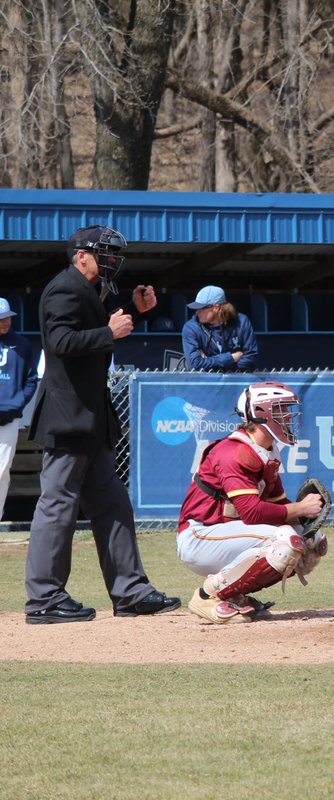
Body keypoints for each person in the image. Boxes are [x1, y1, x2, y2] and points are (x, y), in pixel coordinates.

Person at [24, 225, 180, 624]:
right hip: (68, 417)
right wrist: (109, 331)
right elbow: (60, 342)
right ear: (80, 256)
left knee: (112, 504)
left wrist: (135, 311)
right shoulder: (63, 288)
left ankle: (131, 592)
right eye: (103, 252)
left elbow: (96, 328)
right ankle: (44, 598)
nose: (112, 260)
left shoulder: (87, 290)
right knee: (57, 506)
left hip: (92, 418)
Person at [177, 382, 328, 623]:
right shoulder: (235, 451)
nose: (289, 416)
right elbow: (252, 513)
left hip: (227, 534)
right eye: (281, 410)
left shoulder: (266, 450)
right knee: (285, 541)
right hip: (200, 536)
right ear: (261, 414)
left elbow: (276, 504)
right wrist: (300, 509)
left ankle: (234, 596)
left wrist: (303, 520)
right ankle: (207, 595)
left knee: (312, 542)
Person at [0, 297, 37, 520]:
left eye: (7, 318)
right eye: (1, 319)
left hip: (9, 419)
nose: (5, 322)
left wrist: (18, 402)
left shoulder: (22, 345)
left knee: (2, 472)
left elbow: (31, 380)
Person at [182, 285, 259, 371]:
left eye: (201, 308)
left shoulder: (241, 321)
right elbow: (195, 364)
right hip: (206, 381)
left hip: (238, 379)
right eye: (196, 308)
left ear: (216, 308)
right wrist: (230, 358)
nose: (197, 312)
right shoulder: (191, 327)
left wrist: (208, 362)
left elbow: (252, 358)